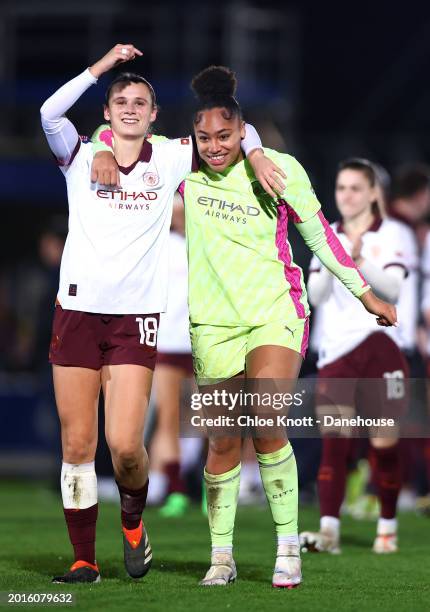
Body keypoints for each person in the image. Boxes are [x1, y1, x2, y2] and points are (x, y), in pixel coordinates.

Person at [92, 66, 396, 589]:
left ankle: (287, 550)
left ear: (242, 131)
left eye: (226, 136)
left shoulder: (277, 169)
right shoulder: (180, 166)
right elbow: (121, 133)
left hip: (275, 311)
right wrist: (100, 144)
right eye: (205, 138)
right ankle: (222, 557)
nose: (214, 147)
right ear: (193, 137)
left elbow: (320, 237)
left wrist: (366, 293)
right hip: (213, 324)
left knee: (268, 420)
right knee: (221, 444)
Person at [40, 44, 281, 584]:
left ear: (154, 115)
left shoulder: (171, 157)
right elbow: (48, 113)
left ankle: (132, 524)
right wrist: (98, 68)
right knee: (77, 447)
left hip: (133, 320)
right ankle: (84, 559)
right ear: (106, 111)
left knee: (126, 447)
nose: (129, 107)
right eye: (119, 100)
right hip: (76, 313)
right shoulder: (78, 155)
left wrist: (259, 153)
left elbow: (234, 135)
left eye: (140, 101)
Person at [300, 158, 410, 555]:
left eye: (355, 188)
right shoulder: (325, 232)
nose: (346, 196)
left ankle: (388, 526)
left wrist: (358, 259)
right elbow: (315, 296)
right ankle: (329, 532)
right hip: (337, 353)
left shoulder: (393, 233)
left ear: (372, 194)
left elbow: (393, 289)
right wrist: (337, 253)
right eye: (341, 188)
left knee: (384, 445)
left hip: (381, 350)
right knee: (335, 443)